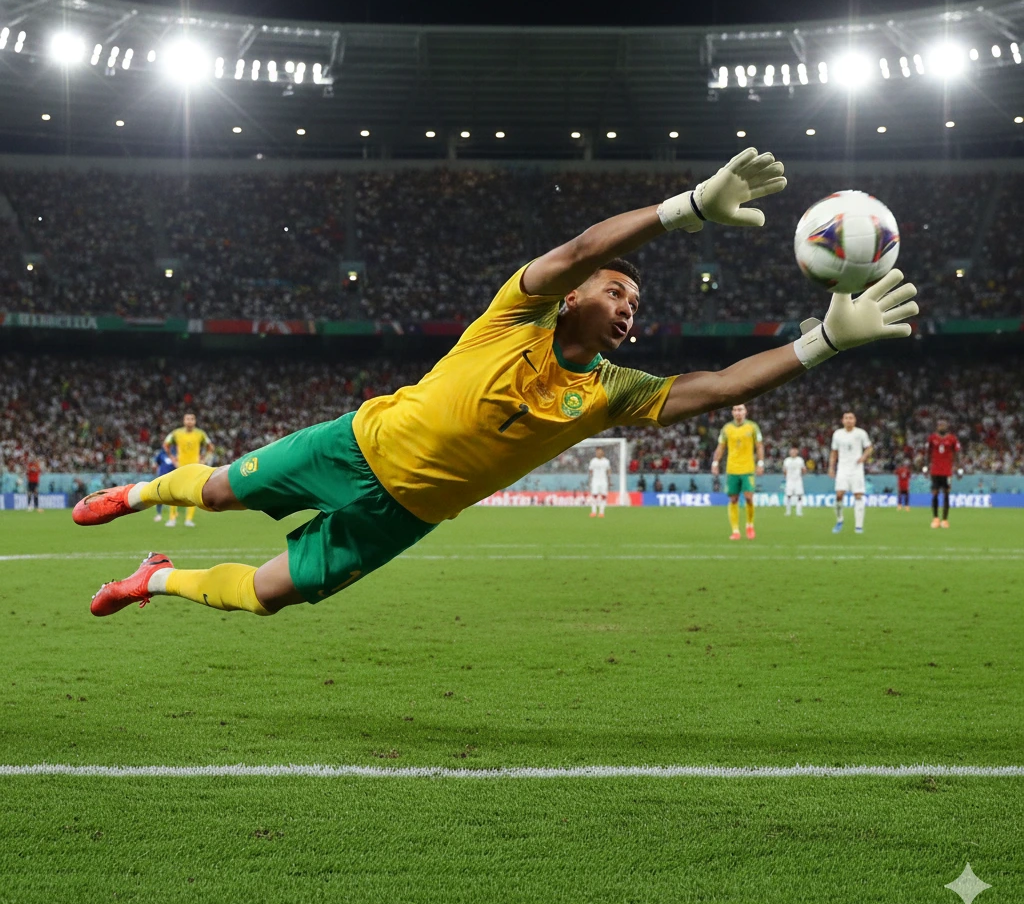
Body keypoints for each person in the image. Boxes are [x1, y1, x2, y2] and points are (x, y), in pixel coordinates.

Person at [73, 147, 918, 619]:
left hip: (402, 516)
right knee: (218, 492)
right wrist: (688, 207)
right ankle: (143, 490)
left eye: (639, 302)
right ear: (579, 295)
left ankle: (154, 579)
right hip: (358, 446)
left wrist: (823, 343)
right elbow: (582, 249)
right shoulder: (515, 317)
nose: (628, 306)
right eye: (618, 291)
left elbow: (718, 383)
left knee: (263, 597)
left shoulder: (613, 391)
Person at [711, 403, 764, 540]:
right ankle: (735, 531)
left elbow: (759, 446)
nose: (737, 412)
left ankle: (749, 525)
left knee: (749, 498)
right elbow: (720, 447)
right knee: (733, 499)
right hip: (732, 469)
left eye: (740, 409)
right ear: (732, 413)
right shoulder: (727, 428)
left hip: (747, 469)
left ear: (745, 411)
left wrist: (761, 462)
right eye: (734, 409)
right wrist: (715, 462)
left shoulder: (752, 427)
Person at [162, 413, 214, 527]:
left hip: (195, 468)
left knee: (192, 493)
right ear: (183, 420)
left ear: (195, 421)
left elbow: (211, 447)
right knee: (174, 493)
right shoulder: (176, 433)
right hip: (180, 466)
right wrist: (172, 458)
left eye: (192, 419)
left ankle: (188, 519)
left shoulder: (200, 434)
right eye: (187, 419)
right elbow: (166, 444)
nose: (189, 421)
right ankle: (172, 518)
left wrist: (204, 459)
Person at [829, 411, 872, 534]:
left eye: (851, 418)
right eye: (846, 418)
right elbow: (834, 452)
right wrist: (831, 467)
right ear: (842, 420)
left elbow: (869, 447)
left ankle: (859, 526)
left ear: (855, 420)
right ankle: (839, 520)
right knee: (839, 495)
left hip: (856, 469)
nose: (848, 420)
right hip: (842, 469)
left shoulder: (860, 433)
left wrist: (864, 457)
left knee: (858, 495)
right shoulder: (837, 434)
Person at [924, 418, 960, 529]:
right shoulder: (932, 438)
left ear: (947, 426)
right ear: (937, 426)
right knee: (935, 493)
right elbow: (928, 453)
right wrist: (925, 466)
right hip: (935, 470)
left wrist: (958, 467)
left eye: (943, 425)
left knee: (946, 494)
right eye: (940, 425)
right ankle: (935, 518)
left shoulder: (952, 439)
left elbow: (956, 454)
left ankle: (945, 519)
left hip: (947, 471)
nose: (941, 427)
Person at [150, 445, 177, 523]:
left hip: (172, 479)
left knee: (173, 497)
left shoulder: (174, 454)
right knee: (159, 496)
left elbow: (177, 465)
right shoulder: (161, 454)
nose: (166, 448)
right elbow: (156, 463)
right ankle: (159, 514)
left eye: (168, 446)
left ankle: (173, 515)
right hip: (161, 479)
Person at [782, 446, 806, 517]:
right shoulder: (787, 460)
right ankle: (788, 511)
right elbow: (784, 470)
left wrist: (800, 476)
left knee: (799, 495)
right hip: (789, 480)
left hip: (798, 480)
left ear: (797, 452)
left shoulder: (800, 460)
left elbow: (803, 469)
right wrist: (787, 477)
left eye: (794, 451)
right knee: (788, 495)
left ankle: (799, 511)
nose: (792, 453)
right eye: (791, 451)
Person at [588, 446, 611, 518]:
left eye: (600, 452)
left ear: (603, 453)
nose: (598, 453)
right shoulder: (593, 461)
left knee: (603, 496)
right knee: (594, 496)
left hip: (604, 481)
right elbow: (590, 471)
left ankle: (601, 512)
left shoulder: (606, 461)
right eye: (597, 452)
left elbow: (608, 471)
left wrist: (609, 480)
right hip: (595, 481)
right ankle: (593, 512)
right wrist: (591, 479)